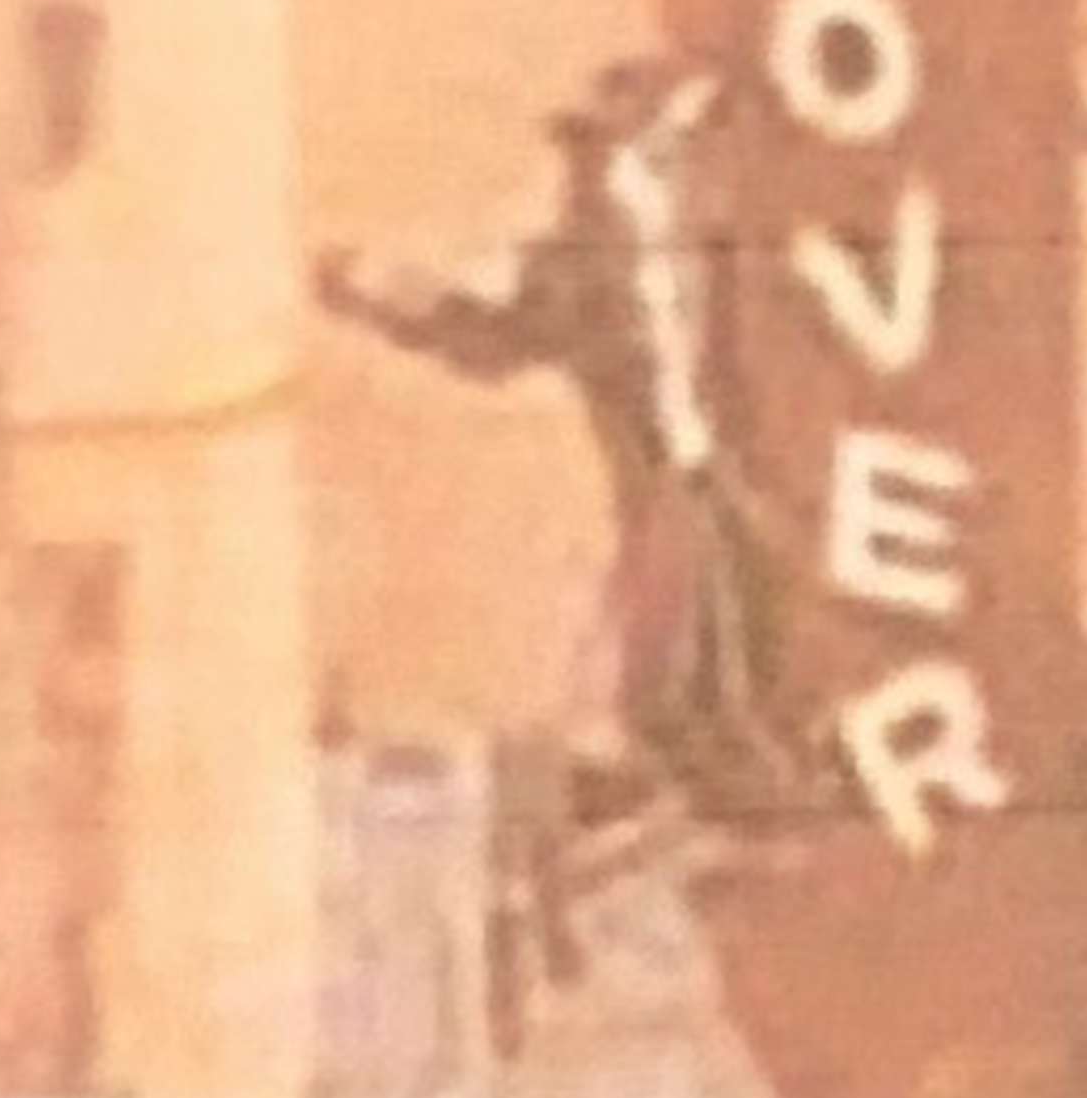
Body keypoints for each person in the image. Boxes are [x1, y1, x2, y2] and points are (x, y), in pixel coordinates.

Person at [317, 57, 815, 832]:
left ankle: (753, 792)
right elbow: (490, 337)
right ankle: (735, 802)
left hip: (728, 466)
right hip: (669, 476)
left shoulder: (712, 224)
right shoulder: (579, 268)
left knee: (755, 619)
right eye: (609, 153)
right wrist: (379, 295)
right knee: (676, 665)